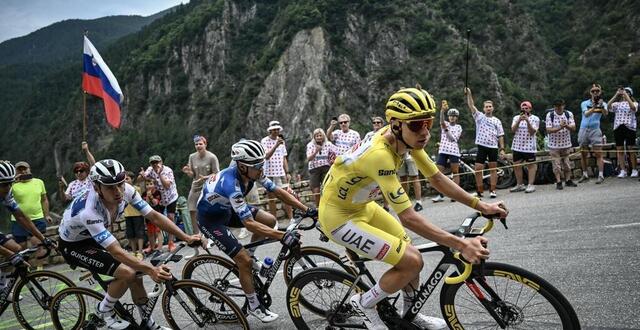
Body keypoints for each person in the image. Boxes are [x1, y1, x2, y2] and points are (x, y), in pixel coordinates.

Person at [319, 86, 508, 330]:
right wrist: (461, 244)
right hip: (338, 217)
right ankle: (363, 303)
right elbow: (408, 217)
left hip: (362, 207)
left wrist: (481, 204)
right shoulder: (380, 154)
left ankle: (410, 312)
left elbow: (437, 178)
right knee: (412, 261)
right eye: (417, 125)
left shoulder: (405, 140)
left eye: (428, 123)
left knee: (409, 253)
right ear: (396, 125)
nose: (426, 132)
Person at [57, 159, 200, 330]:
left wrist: (186, 236)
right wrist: (151, 269)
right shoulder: (89, 211)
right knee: (128, 272)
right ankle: (104, 311)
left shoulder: (126, 190)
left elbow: (153, 216)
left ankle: (148, 324)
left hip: (94, 236)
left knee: (136, 274)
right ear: (97, 188)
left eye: (120, 184)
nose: (118, 191)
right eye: (110, 187)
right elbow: (116, 251)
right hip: (74, 245)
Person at [197, 139, 316, 323]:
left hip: (227, 209)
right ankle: (254, 305)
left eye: (262, 164)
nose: (262, 169)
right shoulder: (231, 184)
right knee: (243, 261)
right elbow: (250, 224)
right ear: (242, 167)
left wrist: (305, 209)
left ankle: (251, 257)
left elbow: (278, 191)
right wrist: (283, 236)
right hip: (211, 221)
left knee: (270, 220)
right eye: (258, 165)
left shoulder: (253, 173)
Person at [0, 161, 55, 286]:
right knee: (11, 255)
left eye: (10, 183)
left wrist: (44, 239)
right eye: (4, 185)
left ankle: (3, 287)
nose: (8, 188)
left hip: (36, 219)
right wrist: (9, 255)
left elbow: (21, 217)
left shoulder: (6, 193)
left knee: (17, 249)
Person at [464, 88, 506, 198]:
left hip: (493, 147)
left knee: (493, 168)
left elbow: (500, 135)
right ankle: (480, 190)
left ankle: (492, 190)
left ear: (493, 108)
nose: (488, 108)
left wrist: (502, 149)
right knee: (478, 169)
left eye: (490, 106)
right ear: (484, 108)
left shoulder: (497, 120)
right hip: (482, 146)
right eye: (486, 107)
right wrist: (469, 93)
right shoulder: (479, 117)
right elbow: (471, 105)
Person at [11, 161, 52, 271]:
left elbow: (44, 199)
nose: (23, 171)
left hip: (37, 218)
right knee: (21, 247)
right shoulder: (12, 185)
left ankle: (40, 269)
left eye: (25, 169)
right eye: (20, 169)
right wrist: (13, 180)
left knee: (38, 243)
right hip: (18, 220)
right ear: (16, 171)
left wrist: (47, 214)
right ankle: (26, 270)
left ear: (30, 169)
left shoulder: (39, 182)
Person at [182, 134, 219, 234]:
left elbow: (217, 173)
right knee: (192, 210)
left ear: (205, 144)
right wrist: (188, 172)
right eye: (196, 144)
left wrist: (205, 177)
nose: (198, 146)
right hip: (195, 186)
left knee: (208, 211)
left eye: (200, 144)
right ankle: (197, 233)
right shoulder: (192, 157)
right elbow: (192, 174)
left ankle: (213, 232)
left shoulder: (212, 157)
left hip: (208, 186)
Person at [140, 155, 179, 251]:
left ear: (161, 162)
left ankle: (171, 242)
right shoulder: (150, 169)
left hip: (171, 197)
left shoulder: (168, 170)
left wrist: (160, 174)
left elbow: (166, 186)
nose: (155, 165)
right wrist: (142, 175)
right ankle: (153, 244)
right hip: (159, 198)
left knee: (170, 218)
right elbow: (143, 178)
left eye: (157, 162)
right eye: (153, 163)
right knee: (156, 219)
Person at [261, 121, 293, 223]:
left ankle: (291, 218)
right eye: (274, 129)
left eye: (277, 129)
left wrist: (287, 172)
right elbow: (266, 156)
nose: (276, 131)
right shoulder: (265, 141)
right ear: (270, 130)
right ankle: (274, 221)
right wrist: (276, 145)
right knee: (271, 198)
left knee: (285, 195)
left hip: (280, 172)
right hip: (269, 173)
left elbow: (284, 158)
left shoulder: (281, 141)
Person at [578, 83, 608, 184]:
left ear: (600, 92)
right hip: (584, 129)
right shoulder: (584, 103)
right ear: (590, 92)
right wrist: (594, 107)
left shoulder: (603, 103)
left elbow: (605, 114)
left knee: (598, 152)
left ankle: (601, 175)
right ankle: (585, 174)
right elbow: (586, 114)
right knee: (583, 153)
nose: (595, 93)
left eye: (597, 91)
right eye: (593, 91)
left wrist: (601, 106)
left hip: (595, 129)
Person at [433, 100, 462, 202]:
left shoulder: (459, 127)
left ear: (457, 118)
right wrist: (442, 111)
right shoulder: (445, 123)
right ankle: (440, 194)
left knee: (455, 172)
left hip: (454, 151)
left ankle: (456, 194)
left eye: (454, 116)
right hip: (443, 150)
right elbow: (441, 121)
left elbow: (453, 138)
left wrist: (446, 130)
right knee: (439, 173)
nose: (452, 117)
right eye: (450, 116)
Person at [545, 99, 578, 189]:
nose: (559, 108)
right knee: (556, 165)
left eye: (560, 106)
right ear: (554, 106)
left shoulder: (569, 114)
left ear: (564, 106)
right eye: (557, 106)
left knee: (567, 164)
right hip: (554, 145)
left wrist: (566, 125)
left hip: (566, 144)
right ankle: (558, 181)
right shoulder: (550, 115)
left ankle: (568, 180)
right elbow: (548, 130)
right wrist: (560, 127)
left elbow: (574, 128)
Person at [509, 101, 540, 193]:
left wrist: (527, 121)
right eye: (523, 109)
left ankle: (530, 184)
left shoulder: (535, 118)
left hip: (529, 146)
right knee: (517, 165)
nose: (525, 110)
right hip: (517, 146)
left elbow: (532, 132)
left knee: (531, 165)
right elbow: (513, 130)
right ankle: (519, 184)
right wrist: (519, 120)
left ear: (530, 109)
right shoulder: (516, 118)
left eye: (526, 108)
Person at [607, 86, 638, 178]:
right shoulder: (617, 104)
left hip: (630, 127)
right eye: (624, 92)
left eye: (627, 92)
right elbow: (608, 106)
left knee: (631, 149)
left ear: (630, 94)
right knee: (619, 149)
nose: (624, 94)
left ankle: (634, 169)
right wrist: (616, 95)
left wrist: (626, 95)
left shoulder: (635, 103)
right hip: (618, 127)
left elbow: (633, 107)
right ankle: (623, 170)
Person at [306, 128, 337, 206]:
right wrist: (316, 151)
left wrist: (333, 159)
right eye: (317, 136)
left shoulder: (328, 144)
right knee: (316, 190)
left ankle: (327, 206)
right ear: (314, 137)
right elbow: (309, 159)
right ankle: (318, 207)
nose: (319, 137)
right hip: (314, 168)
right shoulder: (310, 145)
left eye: (320, 135)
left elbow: (337, 151)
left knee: (327, 187)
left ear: (323, 136)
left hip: (325, 167)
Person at [123, 172, 145, 259]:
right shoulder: (122, 190)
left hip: (137, 214)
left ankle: (140, 251)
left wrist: (142, 176)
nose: (125, 181)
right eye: (124, 179)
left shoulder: (136, 188)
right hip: (127, 214)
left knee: (139, 233)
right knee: (130, 234)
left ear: (132, 179)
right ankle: (133, 251)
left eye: (127, 179)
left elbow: (143, 187)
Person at [142, 179, 163, 254]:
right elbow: (145, 204)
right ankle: (153, 248)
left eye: (151, 183)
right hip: (148, 216)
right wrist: (147, 196)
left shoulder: (157, 193)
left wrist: (151, 197)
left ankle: (160, 248)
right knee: (150, 233)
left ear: (154, 185)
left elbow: (155, 203)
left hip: (157, 214)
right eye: (147, 184)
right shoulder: (144, 194)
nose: (149, 186)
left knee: (158, 231)